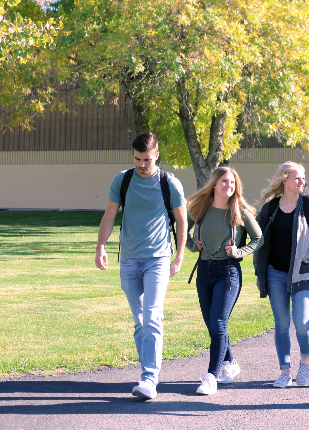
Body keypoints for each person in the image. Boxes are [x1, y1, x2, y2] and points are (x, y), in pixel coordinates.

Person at [95, 133, 187, 400]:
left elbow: (182, 221)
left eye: (146, 159)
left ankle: (149, 379)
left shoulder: (169, 183)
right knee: (139, 322)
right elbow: (109, 215)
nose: (142, 165)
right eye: (137, 159)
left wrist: (179, 256)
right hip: (129, 260)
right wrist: (101, 246)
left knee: (152, 316)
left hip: (158, 259)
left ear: (156, 155)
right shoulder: (122, 180)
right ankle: (149, 372)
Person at [186, 166, 262, 395]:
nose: (229, 186)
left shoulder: (238, 211)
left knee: (218, 323)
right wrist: (192, 245)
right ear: (215, 184)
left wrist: (239, 252)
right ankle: (231, 363)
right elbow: (181, 230)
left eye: (232, 183)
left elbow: (258, 237)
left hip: (228, 273)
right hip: (204, 272)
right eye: (225, 182)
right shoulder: (200, 208)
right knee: (213, 325)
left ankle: (211, 377)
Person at [255, 161, 309, 388]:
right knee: (282, 324)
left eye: (303, 178)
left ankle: (305, 361)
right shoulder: (270, 209)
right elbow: (260, 243)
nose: (302, 182)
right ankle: (285, 371)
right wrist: (260, 274)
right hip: (275, 273)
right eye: (297, 178)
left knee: (302, 321)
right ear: (284, 180)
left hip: (304, 272)